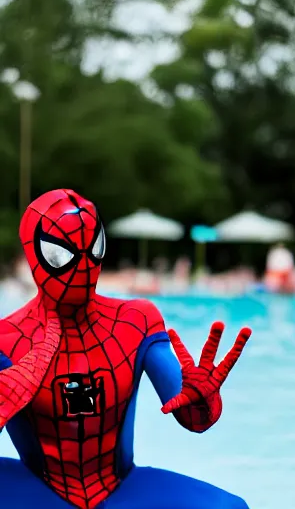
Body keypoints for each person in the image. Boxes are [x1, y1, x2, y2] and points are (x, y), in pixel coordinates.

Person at [0, 189, 251, 508]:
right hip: (39, 487)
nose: (83, 265)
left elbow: (192, 417)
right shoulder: (7, 340)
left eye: (93, 248)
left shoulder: (135, 321)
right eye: (62, 255)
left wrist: (204, 399)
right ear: (35, 254)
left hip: (119, 485)